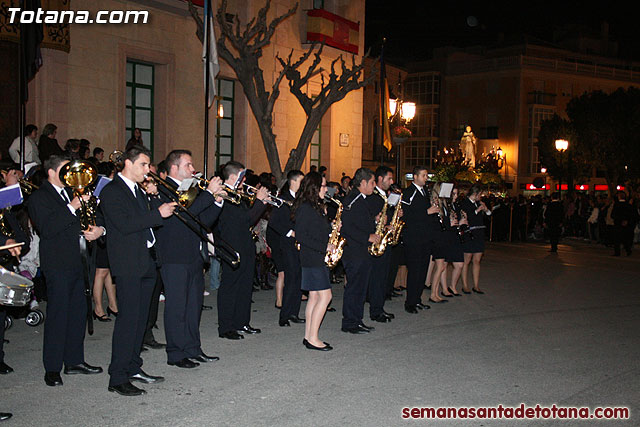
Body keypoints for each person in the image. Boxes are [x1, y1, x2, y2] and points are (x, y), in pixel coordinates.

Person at [99, 145, 177, 396]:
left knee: (140, 321)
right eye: (144, 165)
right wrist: (157, 213)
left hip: (145, 261)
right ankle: (118, 376)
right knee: (128, 321)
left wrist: (153, 199)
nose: (148, 170)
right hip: (128, 264)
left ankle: (133, 366)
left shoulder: (138, 191)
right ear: (128, 164)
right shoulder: (112, 190)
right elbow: (124, 225)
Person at [28, 155, 105, 387]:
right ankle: (52, 368)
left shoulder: (75, 192)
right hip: (58, 264)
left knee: (79, 313)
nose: (71, 174)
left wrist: (99, 228)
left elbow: (95, 219)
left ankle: (74, 361)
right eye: (65, 170)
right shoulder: (39, 197)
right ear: (52, 172)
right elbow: (48, 228)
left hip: (80, 262)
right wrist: (72, 207)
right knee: (58, 316)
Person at [155, 150, 224, 368]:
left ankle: (193, 348)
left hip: (194, 255)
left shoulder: (191, 191)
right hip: (174, 257)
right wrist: (208, 195)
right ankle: (176, 353)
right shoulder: (165, 190)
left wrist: (217, 202)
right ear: (174, 168)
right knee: (176, 308)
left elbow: (202, 221)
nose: (192, 169)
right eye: (188, 165)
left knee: (194, 306)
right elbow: (182, 214)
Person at [215, 161, 268, 340]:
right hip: (231, 246)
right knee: (230, 286)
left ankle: (241, 322)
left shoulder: (238, 194)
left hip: (245, 244)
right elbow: (245, 219)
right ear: (232, 177)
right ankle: (226, 327)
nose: (245, 180)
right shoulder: (223, 194)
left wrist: (259, 202)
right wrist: (260, 202)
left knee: (245, 286)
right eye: (242, 176)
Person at [292, 171, 333, 350]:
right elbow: (302, 236)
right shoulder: (306, 208)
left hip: (315, 256)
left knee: (315, 296)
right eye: (324, 186)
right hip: (313, 257)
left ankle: (309, 336)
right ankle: (313, 338)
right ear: (315, 187)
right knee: (326, 296)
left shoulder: (314, 206)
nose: (327, 189)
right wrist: (325, 247)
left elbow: (315, 231)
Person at [340, 167, 379, 334]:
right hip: (354, 251)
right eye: (372, 182)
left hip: (361, 251)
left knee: (361, 288)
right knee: (354, 287)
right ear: (363, 183)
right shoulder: (352, 200)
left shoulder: (360, 199)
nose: (374, 185)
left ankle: (357, 319)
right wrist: (367, 237)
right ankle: (350, 322)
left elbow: (359, 221)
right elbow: (347, 228)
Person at [268, 170, 305, 326]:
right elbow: (274, 222)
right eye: (301, 182)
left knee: (298, 279)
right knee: (290, 279)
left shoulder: (303, 200)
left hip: (301, 244)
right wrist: (291, 232)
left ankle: (294, 312)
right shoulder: (283, 200)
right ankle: (284, 315)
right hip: (288, 244)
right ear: (294, 182)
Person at [401, 166, 439, 313]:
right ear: (415, 177)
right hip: (414, 238)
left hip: (425, 237)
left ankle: (417, 299)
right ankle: (410, 302)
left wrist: (433, 210)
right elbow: (406, 215)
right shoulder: (409, 192)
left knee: (423, 270)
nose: (426, 178)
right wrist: (426, 212)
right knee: (415, 270)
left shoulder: (425, 192)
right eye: (423, 175)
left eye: (426, 175)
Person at [366, 166, 396, 323]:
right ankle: (375, 311)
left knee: (383, 277)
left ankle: (379, 307)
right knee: (377, 278)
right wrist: (378, 221)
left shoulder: (386, 196)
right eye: (389, 179)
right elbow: (367, 218)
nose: (391, 182)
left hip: (385, 240)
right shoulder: (373, 196)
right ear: (379, 179)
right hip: (376, 242)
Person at [459, 184, 490, 294]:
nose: (481, 196)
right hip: (469, 233)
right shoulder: (464, 203)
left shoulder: (478, 203)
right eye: (480, 194)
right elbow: (467, 217)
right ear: (475, 194)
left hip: (479, 233)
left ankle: (476, 286)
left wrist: (485, 209)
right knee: (467, 260)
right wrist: (477, 210)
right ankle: (465, 285)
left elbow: (489, 215)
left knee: (477, 260)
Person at [611, 191, 637, 256]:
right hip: (625, 224)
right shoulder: (628, 205)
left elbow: (613, 215)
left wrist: (618, 219)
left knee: (617, 239)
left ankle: (617, 252)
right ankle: (628, 250)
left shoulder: (616, 205)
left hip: (617, 224)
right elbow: (630, 215)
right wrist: (626, 220)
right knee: (625, 238)